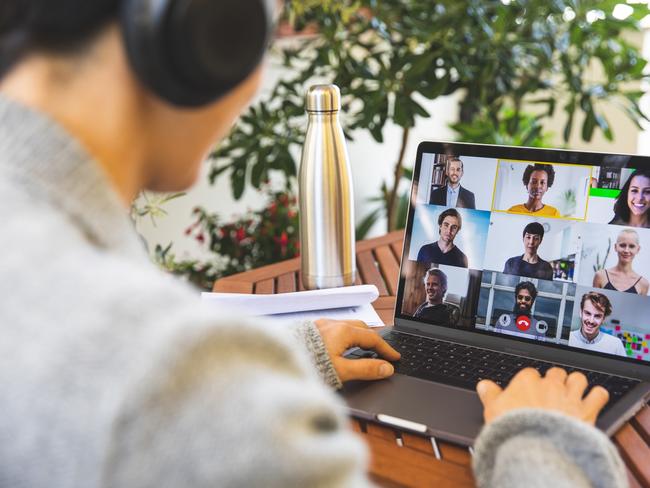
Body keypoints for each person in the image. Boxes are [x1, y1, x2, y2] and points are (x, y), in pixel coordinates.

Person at [0, 1, 624, 487]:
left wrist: (274, 355)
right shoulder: (163, 377)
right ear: (206, 33)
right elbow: (157, 389)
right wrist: (542, 436)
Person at [569, 292, 627, 357]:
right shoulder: (569, 338)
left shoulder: (616, 345)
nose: (591, 321)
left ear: (603, 319)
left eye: (597, 316)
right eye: (587, 313)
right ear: (581, 313)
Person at [593, 229, 649, 295]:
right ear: (615, 247)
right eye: (622, 245)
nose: (626, 250)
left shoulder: (643, 284)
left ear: (638, 249)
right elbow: (593, 304)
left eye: (631, 246)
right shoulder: (600, 276)